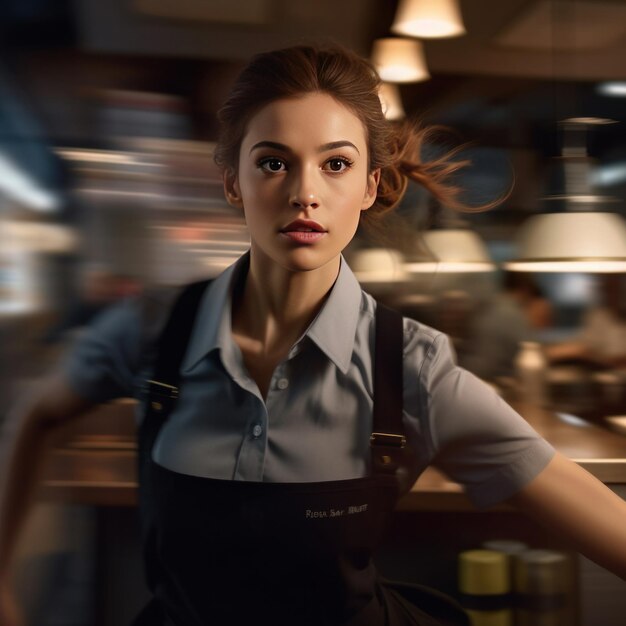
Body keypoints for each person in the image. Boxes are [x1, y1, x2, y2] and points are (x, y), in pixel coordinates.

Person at [1, 45, 626, 626]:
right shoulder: (150, 330)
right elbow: (33, 414)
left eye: (336, 164)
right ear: (232, 182)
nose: (305, 193)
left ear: (369, 186)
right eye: (273, 162)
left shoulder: (412, 370)